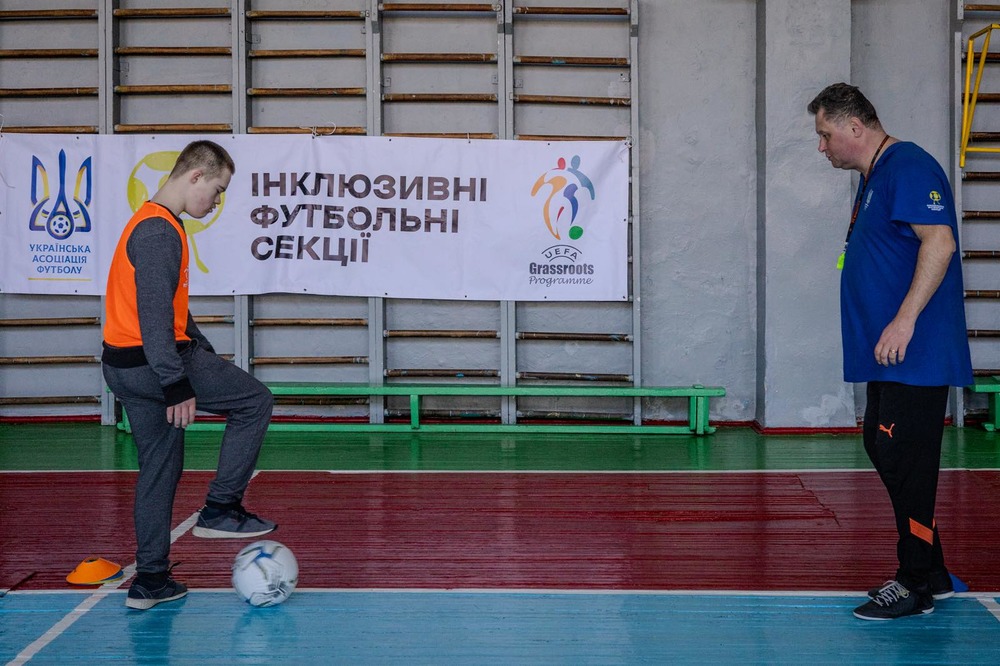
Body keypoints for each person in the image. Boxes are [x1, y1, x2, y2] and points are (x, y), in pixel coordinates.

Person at [807, 83, 974, 620]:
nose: (821, 146)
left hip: (917, 353)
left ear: (854, 128)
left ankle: (914, 584)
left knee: (907, 460)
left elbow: (940, 243)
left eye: (825, 134)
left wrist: (904, 321)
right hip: (892, 357)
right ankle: (932, 572)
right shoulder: (876, 177)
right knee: (886, 449)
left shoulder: (909, 167)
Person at [102, 140, 276, 610]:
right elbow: (154, 315)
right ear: (195, 175)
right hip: (154, 362)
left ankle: (151, 580)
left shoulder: (150, 221)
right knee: (255, 401)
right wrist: (176, 381)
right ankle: (221, 508)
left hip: (123, 368)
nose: (216, 202)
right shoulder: (160, 232)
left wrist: (201, 346)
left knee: (160, 468)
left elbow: (173, 304)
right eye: (217, 190)